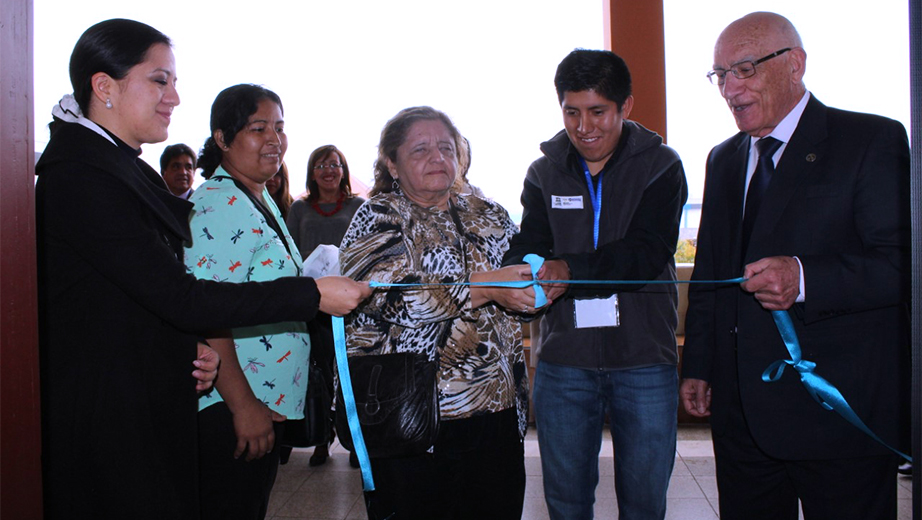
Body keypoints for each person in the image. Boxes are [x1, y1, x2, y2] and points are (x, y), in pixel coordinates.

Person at [34, 19, 370, 520]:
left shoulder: (116, 165)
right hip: (112, 420)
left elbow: (128, 292)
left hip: (144, 403)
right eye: (159, 80)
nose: (174, 97)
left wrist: (185, 348)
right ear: (104, 86)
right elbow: (183, 295)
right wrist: (310, 295)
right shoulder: (84, 177)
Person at [680, 12, 910, 520]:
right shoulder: (723, 159)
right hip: (743, 420)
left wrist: (804, 278)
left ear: (794, 65)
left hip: (838, 411)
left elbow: (900, 267)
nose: (729, 89)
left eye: (744, 69)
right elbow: (712, 274)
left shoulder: (870, 141)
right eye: (720, 75)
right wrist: (698, 363)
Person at [503, 49, 687, 520]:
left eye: (598, 111)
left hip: (645, 361)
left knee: (645, 502)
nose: (584, 126)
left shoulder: (662, 166)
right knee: (565, 502)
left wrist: (568, 269)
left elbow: (645, 254)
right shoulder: (543, 173)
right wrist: (521, 274)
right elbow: (530, 244)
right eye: (571, 111)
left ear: (625, 106)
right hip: (565, 363)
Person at [340, 106, 536, 519]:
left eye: (446, 148)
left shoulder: (490, 215)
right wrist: (487, 286)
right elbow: (385, 299)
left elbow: (521, 284)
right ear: (391, 163)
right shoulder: (378, 217)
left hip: (496, 415)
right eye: (421, 149)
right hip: (412, 417)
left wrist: (535, 288)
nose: (438, 158)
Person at [185, 84, 311, 520]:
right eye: (259, 128)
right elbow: (208, 310)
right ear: (222, 138)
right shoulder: (218, 205)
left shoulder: (256, 196)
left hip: (260, 399)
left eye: (280, 127)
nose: (274, 139)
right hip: (231, 407)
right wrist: (244, 407)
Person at [286, 144, 364, 467]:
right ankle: (322, 437)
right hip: (314, 302)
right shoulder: (300, 210)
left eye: (334, 165)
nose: (328, 171)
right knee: (321, 372)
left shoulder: (359, 205)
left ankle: (357, 440)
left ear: (343, 171)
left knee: (353, 373)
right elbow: (289, 253)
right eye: (321, 165)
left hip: (352, 303)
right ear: (311, 173)